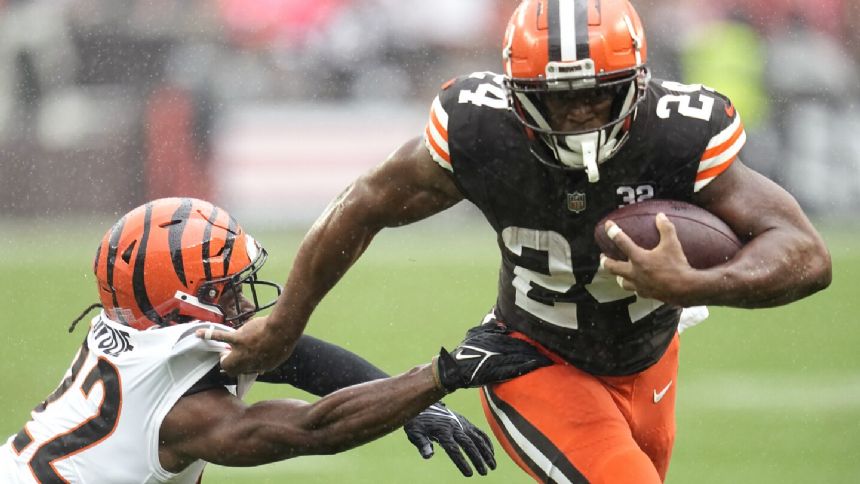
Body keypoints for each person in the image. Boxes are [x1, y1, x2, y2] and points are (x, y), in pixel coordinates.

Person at [206, 0, 833, 482]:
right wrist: (285, 323)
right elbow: (363, 205)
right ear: (515, 94)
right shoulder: (483, 131)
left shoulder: (677, 134)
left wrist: (694, 285)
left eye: (596, 95)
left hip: (649, 358)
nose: (581, 115)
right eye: (559, 101)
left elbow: (805, 254)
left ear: (637, 83)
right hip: (534, 360)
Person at [0, 197, 551, 483]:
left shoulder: (136, 325)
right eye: (225, 289)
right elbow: (316, 429)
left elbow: (293, 356)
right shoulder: (181, 412)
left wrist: (405, 403)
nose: (243, 303)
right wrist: (443, 376)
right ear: (177, 302)